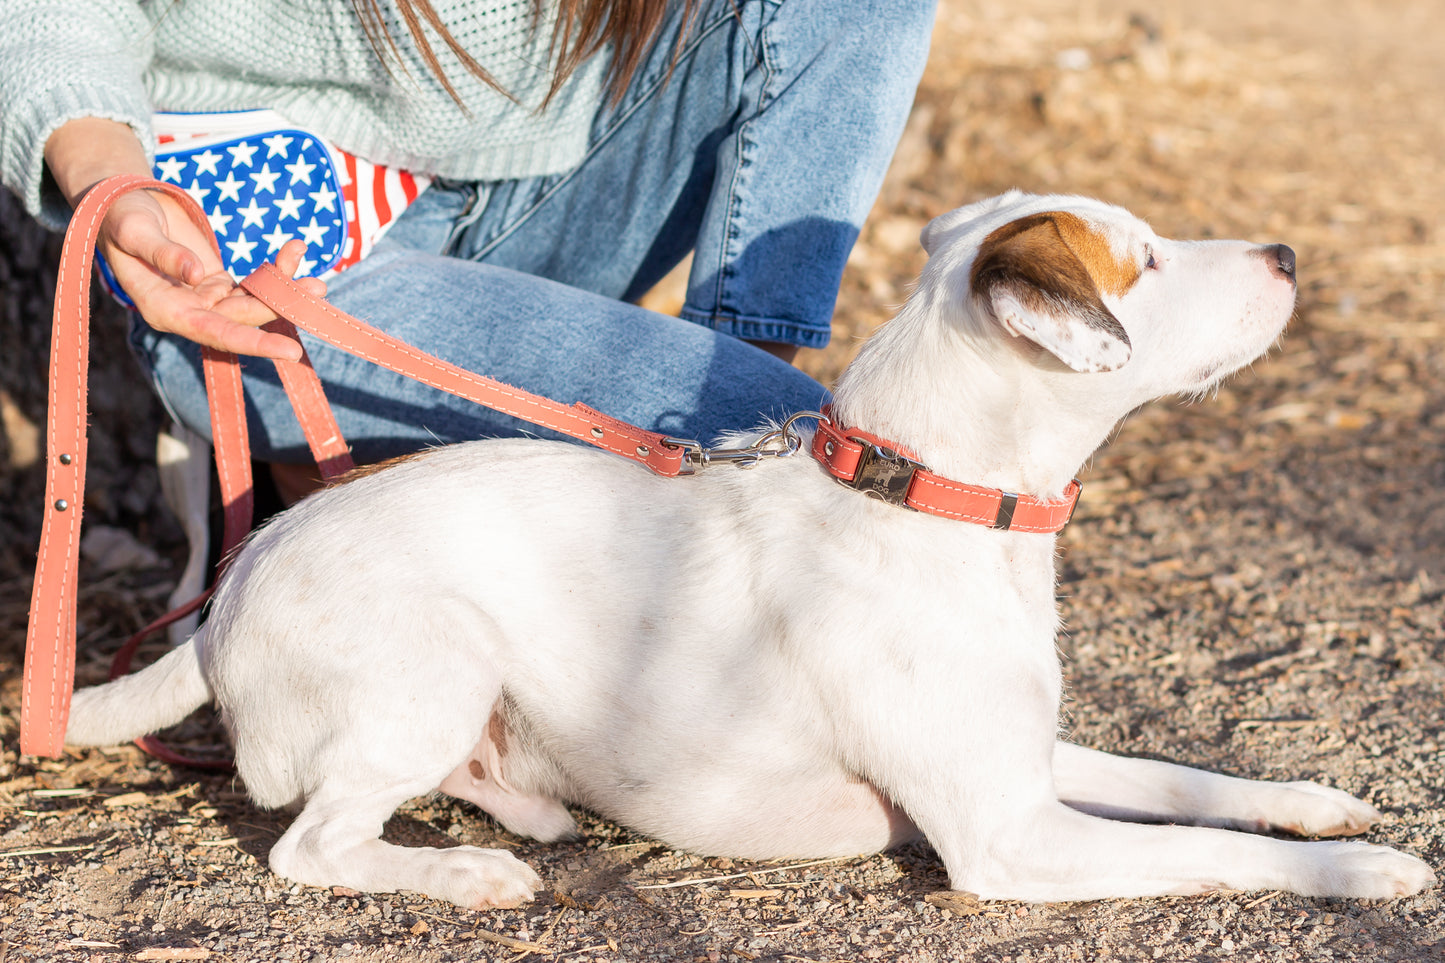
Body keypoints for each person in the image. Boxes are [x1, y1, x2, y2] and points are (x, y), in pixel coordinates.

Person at [2, 0, 937, 501]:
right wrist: (115, 190)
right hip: (272, 267)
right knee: (788, 426)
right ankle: (722, 450)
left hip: (547, 185)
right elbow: (48, 18)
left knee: (760, 424)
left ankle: (721, 457)